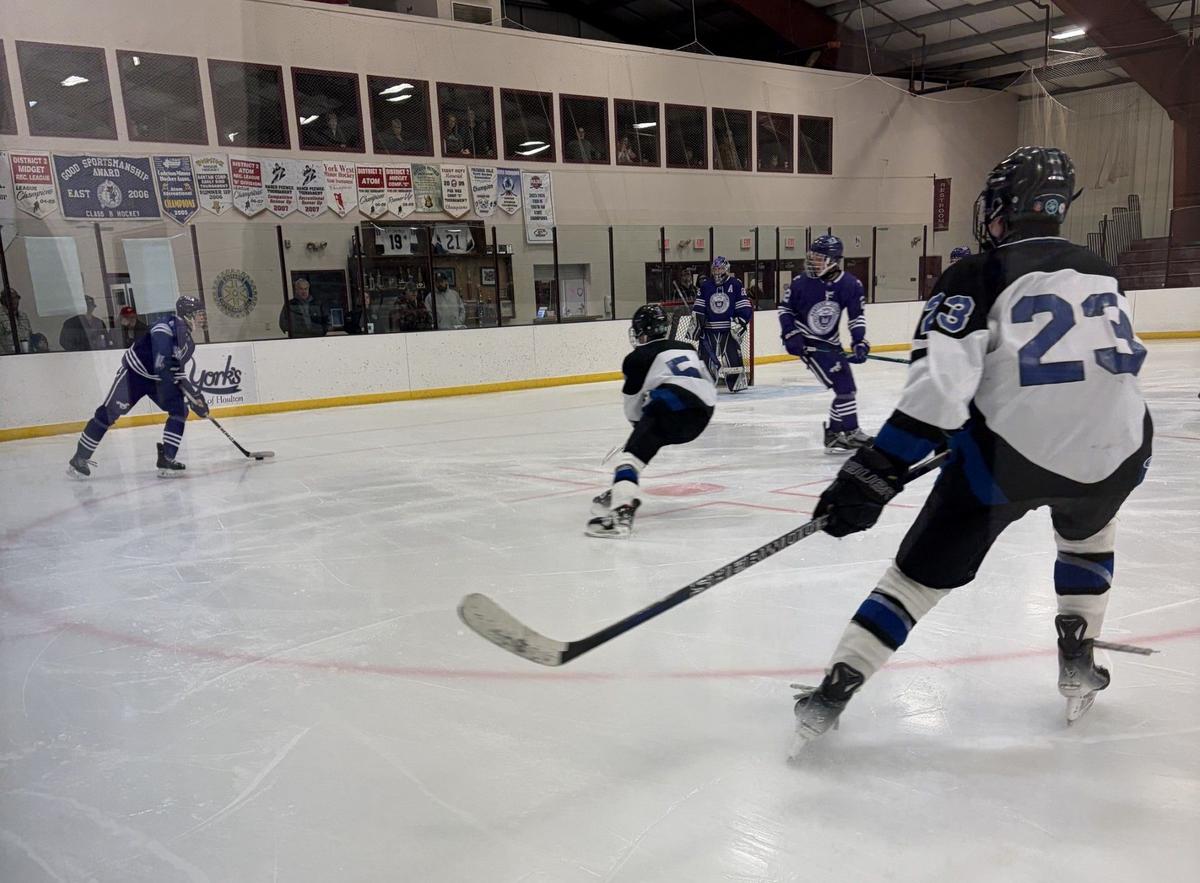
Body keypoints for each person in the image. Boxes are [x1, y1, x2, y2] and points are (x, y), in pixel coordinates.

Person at [790, 147, 1152, 754]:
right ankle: (1077, 658)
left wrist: (873, 473)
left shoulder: (975, 274)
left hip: (1009, 464)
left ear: (1003, 208)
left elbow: (936, 395)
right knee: (1089, 537)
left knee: (915, 579)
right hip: (1120, 453)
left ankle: (834, 690)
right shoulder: (1101, 269)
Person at [587, 304, 716, 538]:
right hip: (704, 412)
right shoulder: (686, 347)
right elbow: (707, 380)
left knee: (630, 458)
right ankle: (623, 488)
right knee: (641, 448)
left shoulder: (637, 358)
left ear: (642, 331)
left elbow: (633, 410)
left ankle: (621, 512)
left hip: (671, 405)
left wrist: (637, 439)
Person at [67, 296, 210, 479]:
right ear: (188, 314)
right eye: (199, 314)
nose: (202, 318)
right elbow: (159, 340)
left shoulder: (189, 344)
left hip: (157, 380)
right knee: (108, 414)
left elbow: (177, 373)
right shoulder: (168, 323)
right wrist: (164, 360)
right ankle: (80, 458)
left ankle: (167, 457)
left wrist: (195, 397)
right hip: (134, 375)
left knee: (180, 410)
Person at [779, 235, 872, 453]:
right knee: (844, 387)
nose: (813, 262)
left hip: (831, 344)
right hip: (809, 344)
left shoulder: (850, 284)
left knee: (847, 391)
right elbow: (785, 310)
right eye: (812, 257)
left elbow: (856, 317)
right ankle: (851, 432)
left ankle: (833, 435)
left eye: (818, 258)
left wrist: (859, 341)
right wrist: (790, 334)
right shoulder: (800, 282)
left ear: (833, 260)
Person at [691, 256, 753, 392]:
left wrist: (741, 322)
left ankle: (736, 383)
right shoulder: (706, 285)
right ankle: (706, 385)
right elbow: (699, 307)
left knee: (732, 357)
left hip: (728, 330)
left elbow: (743, 305)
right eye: (715, 268)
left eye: (720, 268)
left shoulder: (735, 284)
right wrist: (696, 327)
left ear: (726, 269)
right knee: (707, 359)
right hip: (709, 330)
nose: (717, 271)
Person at [0, 287, 32, 355]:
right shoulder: (1, 316)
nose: (15, 301)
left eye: (17, 297)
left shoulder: (23, 316)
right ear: (3, 300)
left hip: (27, 356)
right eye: (11, 298)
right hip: (8, 359)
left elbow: (30, 335)